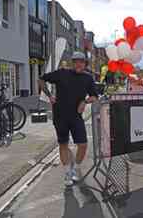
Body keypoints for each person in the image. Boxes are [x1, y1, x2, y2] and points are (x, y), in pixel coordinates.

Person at [38, 51, 98, 186]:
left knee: (83, 145)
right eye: (76, 61)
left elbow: (94, 96)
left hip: (76, 117)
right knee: (63, 144)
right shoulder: (62, 73)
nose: (78, 64)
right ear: (72, 62)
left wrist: (85, 102)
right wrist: (49, 96)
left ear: (85, 64)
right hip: (60, 116)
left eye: (81, 62)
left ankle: (76, 169)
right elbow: (41, 79)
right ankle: (67, 174)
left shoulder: (88, 78)